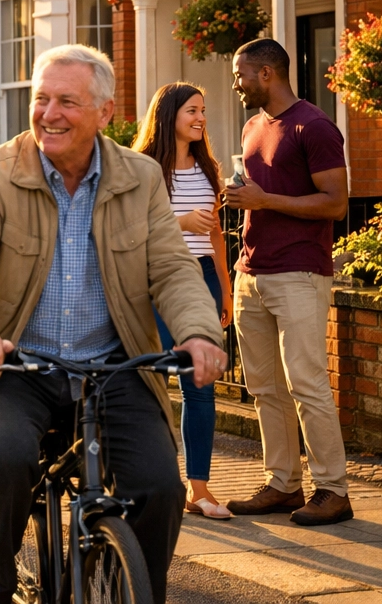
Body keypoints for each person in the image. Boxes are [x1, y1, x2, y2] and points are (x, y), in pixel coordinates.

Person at [0, 45, 226, 604]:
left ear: (105, 112)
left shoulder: (139, 177)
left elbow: (172, 268)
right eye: (41, 99)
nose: (49, 113)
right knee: (8, 456)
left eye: (67, 101)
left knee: (161, 487)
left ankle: (132, 592)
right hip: (14, 364)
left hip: (116, 368)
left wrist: (199, 333)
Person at [223, 38, 352, 525]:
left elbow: (336, 203)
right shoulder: (253, 126)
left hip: (299, 271)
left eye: (241, 74)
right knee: (264, 388)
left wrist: (264, 202)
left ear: (267, 74)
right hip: (251, 272)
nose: (236, 82)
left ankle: (334, 489)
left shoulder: (314, 126)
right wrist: (242, 199)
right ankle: (283, 483)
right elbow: (260, 192)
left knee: (307, 382)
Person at [133, 82, 235, 519]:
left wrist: (225, 290)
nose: (200, 118)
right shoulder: (142, 169)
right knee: (151, 385)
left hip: (204, 280)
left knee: (200, 386)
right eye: (192, 110)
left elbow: (214, 235)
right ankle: (153, 482)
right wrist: (180, 221)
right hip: (156, 282)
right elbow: (128, 228)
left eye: (204, 110)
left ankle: (200, 489)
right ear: (169, 114)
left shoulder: (208, 168)